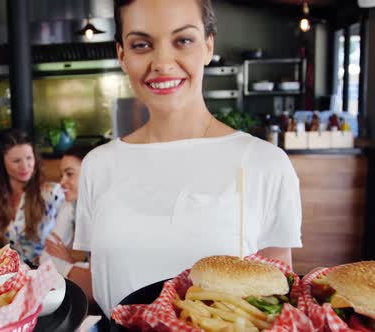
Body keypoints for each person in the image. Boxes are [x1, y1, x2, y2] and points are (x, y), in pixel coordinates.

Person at [73, 0, 302, 317]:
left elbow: (279, 297)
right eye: (142, 45)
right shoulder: (98, 165)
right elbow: (102, 282)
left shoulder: (264, 163)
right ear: (122, 55)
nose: (163, 62)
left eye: (183, 40)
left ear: (208, 46)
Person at [0, 129, 64, 266]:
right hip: (6, 272)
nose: (25, 166)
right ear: (2, 163)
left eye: (29, 158)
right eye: (16, 161)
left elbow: (68, 239)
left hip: (44, 272)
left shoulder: (52, 193)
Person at [40, 146, 92, 301]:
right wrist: (73, 267)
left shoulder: (104, 215)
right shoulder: (73, 204)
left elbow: (95, 286)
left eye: (69, 174)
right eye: (61, 174)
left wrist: (68, 266)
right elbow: (48, 255)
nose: (61, 182)